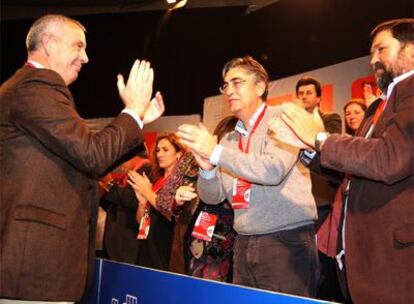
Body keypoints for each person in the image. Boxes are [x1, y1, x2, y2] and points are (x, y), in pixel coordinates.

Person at [0, 14, 164, 302]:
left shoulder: (34, 88)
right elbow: (92, 155)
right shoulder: (34, 86)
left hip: (39, 268)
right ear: (48, 43)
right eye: (78, 46)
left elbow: (84, 157)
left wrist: (137, 118)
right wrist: (132, 111)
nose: (85, 57)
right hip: (32, 268)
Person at [279, 18, 414, 303]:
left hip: (398, 263)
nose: (373, 59)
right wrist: (306, 148)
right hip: (368, 259)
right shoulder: (382, 105)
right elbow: (354, 171)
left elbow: (390, 159)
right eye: (371, 52)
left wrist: (319, 138)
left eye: (381, 49)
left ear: (411, 49)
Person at [177, 56, 319, 297]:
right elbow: (212, 197)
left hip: (285, 240)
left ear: (261, 87)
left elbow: (272, 170)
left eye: (237, 83)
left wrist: (215, 153)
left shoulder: (283, 119)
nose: (229, 91)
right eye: (225, 85)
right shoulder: (228, 140)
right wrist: (207, 169)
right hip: (242, 241)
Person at [315, 98, 366, 303]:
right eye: (348, 113)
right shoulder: (341, 141)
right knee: (330, 273)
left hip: (360, 214)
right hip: (339, 209)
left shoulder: (374, 143)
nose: (351, 116)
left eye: (356, 112)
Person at [127, 133, 199, 274]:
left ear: (179, 153)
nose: (160, 154)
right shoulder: (156, 180)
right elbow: (140, 221)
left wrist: (147, 192)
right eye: (158, 150)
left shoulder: (182, 182)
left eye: (165, 150)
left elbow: (170, 213)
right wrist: (142, 203)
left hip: (167, 246)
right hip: (148, 245)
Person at [184, 115, 238, 282]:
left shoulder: (243, 166)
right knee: (196, 278)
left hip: (228, 233)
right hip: (203, 228)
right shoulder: (204, 164)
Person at [295, 76, 342, 230]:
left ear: (318, 97)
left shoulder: (331, 118)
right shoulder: (291, 123)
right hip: (297, 197)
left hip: (322, 195)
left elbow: (327, 148)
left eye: (308, 92)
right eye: (300, 93)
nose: (304, 96)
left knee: (323, 251)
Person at [98, 146, 152, 265]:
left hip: (128, 244)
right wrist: (103, 191)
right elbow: (116, 205)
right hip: (116, 244)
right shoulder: (128, 175)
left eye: (122, 158)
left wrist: (110, 183)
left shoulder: (146, 170)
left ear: (132, 156)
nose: (120, 163)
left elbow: (132, 200)